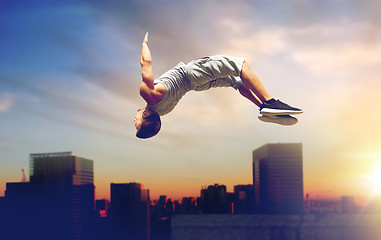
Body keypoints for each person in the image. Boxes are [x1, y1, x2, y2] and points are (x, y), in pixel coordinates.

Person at [134, 33, 302, 139]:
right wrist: (144, 44)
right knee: (240, 66)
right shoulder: (149, 96)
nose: (134, 119)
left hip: (196, 85)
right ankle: (270, 102)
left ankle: (263, 108)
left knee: (236, 82)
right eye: (137, 122)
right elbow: (146, 64)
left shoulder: (163, 111)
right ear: (147, 115)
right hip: (192, 73)